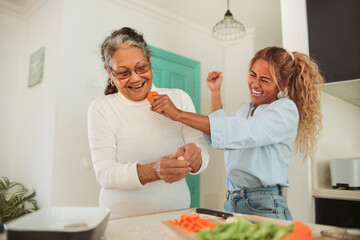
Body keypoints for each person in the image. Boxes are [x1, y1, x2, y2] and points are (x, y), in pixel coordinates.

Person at [150, 46, 324, 220]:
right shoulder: (245, 110)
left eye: (264, 79)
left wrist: (178, 114)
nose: (255, 84)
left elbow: (239, 132)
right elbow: (223, 132)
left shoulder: (285, 111)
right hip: (234, 200)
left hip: (265, 204)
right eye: (253, 74)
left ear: (284, 84)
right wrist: (215, 92)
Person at [87, 27, 209, 218]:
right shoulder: (101, 108)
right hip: (123, 220)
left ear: (149, 61)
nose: (135, 78)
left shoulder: (179, 98)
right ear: (110, 73)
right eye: (123, 73)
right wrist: (153, 171)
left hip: (177, 217)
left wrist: (196, 158)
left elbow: (202, 153)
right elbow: (105, 173)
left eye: (141, 67)